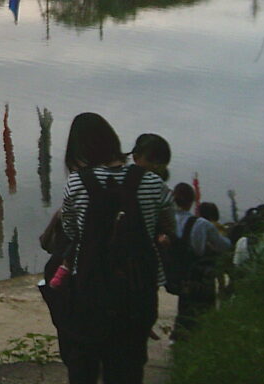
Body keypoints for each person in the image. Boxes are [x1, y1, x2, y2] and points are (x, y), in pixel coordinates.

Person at [54, 113, 174, 384]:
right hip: (138, 291)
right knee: (128, 366)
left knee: (84, 365)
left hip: (91, 291)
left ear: (79, 149)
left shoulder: (77, 182)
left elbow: (71, 232)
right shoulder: (154, 183)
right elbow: (168, 226)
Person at [171, 183, 232, 335]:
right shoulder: (202, 224)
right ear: (192, 201)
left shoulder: (167, 220)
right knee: (202, 313)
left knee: (183, 308)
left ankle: (179, 335)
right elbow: (224, 246)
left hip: (174, 272)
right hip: (198, 275)